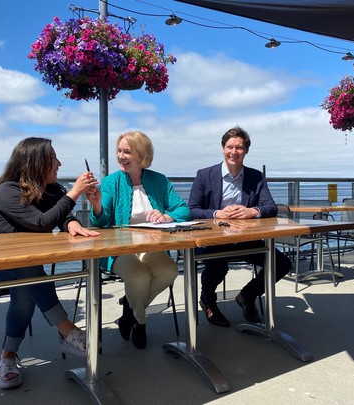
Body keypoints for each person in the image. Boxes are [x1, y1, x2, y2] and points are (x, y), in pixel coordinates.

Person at [0, 137, 100, 390]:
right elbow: (40, 222)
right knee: (29, 272)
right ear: (36, 163)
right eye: (53, 158)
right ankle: (66, 329)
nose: (59, 163)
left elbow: (63, 215)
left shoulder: (52, 190)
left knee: (26, 286)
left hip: (28, 268)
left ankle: (8, 358)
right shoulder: (8, 191)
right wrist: (74, 192)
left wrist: (73, 224)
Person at [87, 130, 191, 349]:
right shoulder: (110, 182)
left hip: (151, 245)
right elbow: (101, 222)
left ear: (142, 155)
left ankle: (129, 310)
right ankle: (140, 322)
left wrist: (166, 216)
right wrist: (96, 205)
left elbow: (183, 209)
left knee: (170, 271)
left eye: (127, 152)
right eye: (119, 151)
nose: (120, 156)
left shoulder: (159, 180)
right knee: (139, 276)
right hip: (119, 248)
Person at [188, 126, 292, 326]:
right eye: (229, 147)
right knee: (217, 265)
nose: (233, 152)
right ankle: (208, 300)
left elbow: (270, 207)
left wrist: (252, 211)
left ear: (246, 151)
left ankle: (247, 295)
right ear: (222, 148)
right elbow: (191, 209)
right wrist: (216, 214)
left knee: (282, 263)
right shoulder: (204, 175)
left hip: (244, 239)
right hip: (213, 240)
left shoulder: (255, 177)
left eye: (239, 148)